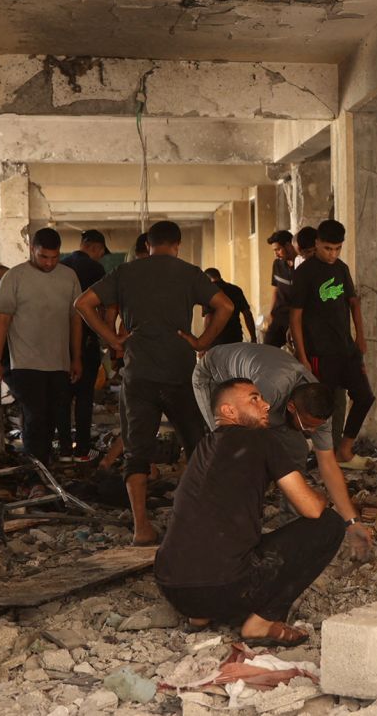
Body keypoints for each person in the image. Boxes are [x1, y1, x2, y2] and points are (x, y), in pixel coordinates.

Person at [74, 220, 233, 545]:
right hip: (180, 374)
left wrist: (112, 340)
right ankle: (194, 518)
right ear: (177, 244)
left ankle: (141, 527)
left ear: (147, 244)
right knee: (196, 444)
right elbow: (225, 306)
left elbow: (83, 304)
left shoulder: (127, 273)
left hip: (139, 375)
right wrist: (202, 341)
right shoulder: (190, 273)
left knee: (137, 450)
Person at [156, 378, 344, 643]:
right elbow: (311, 509)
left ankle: (200, 616)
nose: (266, 405)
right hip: (226, 587)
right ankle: (261, 623)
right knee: (330, 524)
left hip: (172, 587)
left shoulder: (204, 446)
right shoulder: (261, 439)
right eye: (254, 399)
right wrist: (323, 498)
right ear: (228, 412)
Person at [191, 343, 373, 557]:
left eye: (316, 427)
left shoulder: (317, 407)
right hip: (214, 377)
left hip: (264, 390)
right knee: (231, 448)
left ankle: (292, 520)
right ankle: (219, 529)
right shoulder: (270, 389)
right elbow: (244, 440)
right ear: (291, 408)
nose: (312, 431)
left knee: (296, 447)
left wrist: (351, 522)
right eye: (307, 427)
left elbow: (328, 465)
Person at [0, 228, 83, 465]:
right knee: (35, 418)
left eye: (54, 257)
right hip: (25, 364)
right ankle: (34, 475)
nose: (49, 263)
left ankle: (45, 470)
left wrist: (76, 357)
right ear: (32, 249)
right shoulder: (15, 278)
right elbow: (2, 321)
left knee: (51, 419)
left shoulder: (69, 277)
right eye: (43, 257)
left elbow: (75, 320)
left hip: (58, 363)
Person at [290, 219, 375, 464]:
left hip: (346, 349)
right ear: (316, 243)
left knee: (365, 396)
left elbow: (354, 303)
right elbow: (295, 316)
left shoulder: (341, 268)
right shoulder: (304, 272)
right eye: (328, 248)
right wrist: (302, 355)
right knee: (323, 407)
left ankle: (345, 449)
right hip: (319, 352)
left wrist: (360, 336)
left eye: (337, 248)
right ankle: (321, 455)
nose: (332, 254)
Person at [59, 229, 108, 459]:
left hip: (59, 341)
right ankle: (83, 449)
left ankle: (65, 448)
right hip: (86, 341)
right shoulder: (96, 269)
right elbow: (102, 305)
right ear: (96, 248)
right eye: (100, 252)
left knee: (62, 397)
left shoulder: (61, 265)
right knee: (84, 397)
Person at [204, 268, 257, 345]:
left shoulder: (209, 291)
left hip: (217, 340)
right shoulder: (236, 290)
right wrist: (253, 337)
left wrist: (205, 343)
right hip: (235, 337)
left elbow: (208, 318)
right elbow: (247, 314)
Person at [265, 230, 298, 347]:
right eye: (274, 250)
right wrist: (271, 313)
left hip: (296, 317)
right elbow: (276, 289)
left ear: (289, 246)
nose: (276, 254)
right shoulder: (277, 265)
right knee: (268, 347)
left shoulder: (302, 266)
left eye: (278, 249)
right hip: (279, 315)